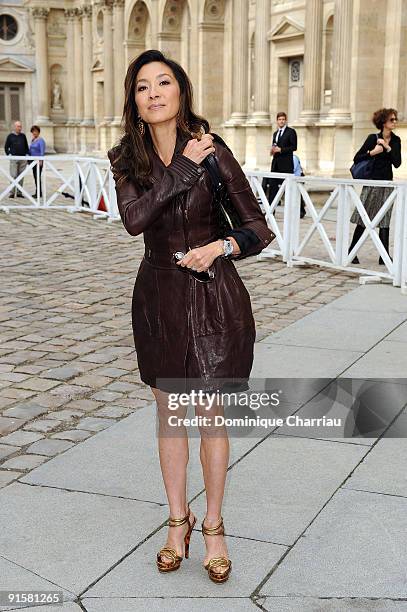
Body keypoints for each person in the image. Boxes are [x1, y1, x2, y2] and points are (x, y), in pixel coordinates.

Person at [108, 49, 273, 584]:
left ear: (181, 91)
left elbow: (257, 226)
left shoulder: (213, 149)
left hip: (211, 296)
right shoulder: (126, 159)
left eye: (164, 82)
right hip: (157, 296)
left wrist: (221, 245)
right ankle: (178, 521)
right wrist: (181, 170)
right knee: (169, 416)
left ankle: (216, 527)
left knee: (210, 416)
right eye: (141, 86)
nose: (153, 92)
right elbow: (135, 219)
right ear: (133, 101)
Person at [348, 108, 401, 265]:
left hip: (387, 183)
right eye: (392, 120)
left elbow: (397, 163)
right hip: (372, 183)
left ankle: (383, 256)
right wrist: (373, 152)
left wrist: (388, 147)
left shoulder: (396, 140)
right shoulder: (372, 138)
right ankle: (352, 251)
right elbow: (357, 158)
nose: (394, 122)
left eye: (395, 119)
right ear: (383, 122)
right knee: (363, 218)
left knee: (385, 220)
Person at [268, 112, 297, 206]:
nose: (281, 121)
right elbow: (274, 146)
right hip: (275, 164)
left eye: (283, 119)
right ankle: (271, 211)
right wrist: (272, 151)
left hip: (286, 165)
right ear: (277, 121)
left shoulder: (291, 132)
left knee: (289, 189)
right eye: (280, 119)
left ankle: (300, 209)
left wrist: (281, 149)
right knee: (272, 188)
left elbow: (294, 147)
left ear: (286, 120)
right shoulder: (275, 133)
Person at [4, 120, 29, 198]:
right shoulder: (10, 136)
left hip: (22, 158)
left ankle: (19, 192)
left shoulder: (23, 136)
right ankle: (12, 192)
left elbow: (26, 146)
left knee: (21, 176)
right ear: (15, 127)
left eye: (20, 126)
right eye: (18, 126)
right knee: (13, 175)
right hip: (14, 158)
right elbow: (6, 147)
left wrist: (27, 156)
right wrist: (9, 155)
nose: (20, 128)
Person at [29, 125, 46, 198]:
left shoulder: (41, 140)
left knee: (37, 176)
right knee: (35, 177)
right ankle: (38, 192)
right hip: (33, 161)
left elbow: (42, 151)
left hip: (38, 161)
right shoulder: (33, 140)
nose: (34, 133)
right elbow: (30, 150)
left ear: (38, 132)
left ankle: (39, 193)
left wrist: (41, 161)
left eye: (35, 131)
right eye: (33, 131)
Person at [293, 153, 306, 218]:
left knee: (298, 195)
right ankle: (299, 210)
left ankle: (302, 211)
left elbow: (293, 168)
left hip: (297, 178)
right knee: (295, 196)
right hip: (294, 179)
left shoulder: (294, 157)